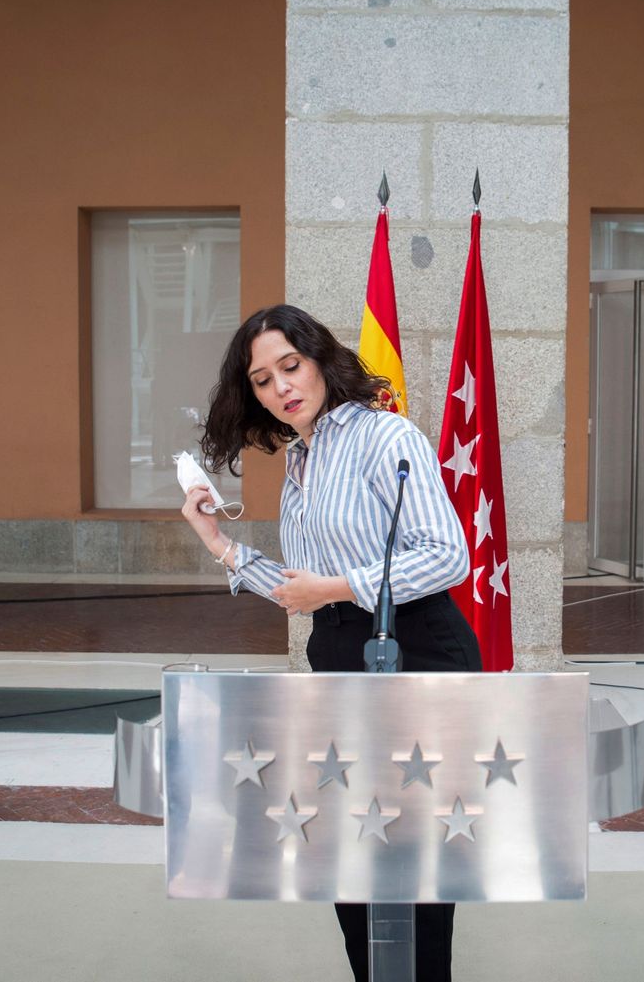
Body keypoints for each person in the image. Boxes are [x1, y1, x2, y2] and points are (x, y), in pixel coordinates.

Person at [180, 303, 480, 982]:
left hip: (417, 649)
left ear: (320, 359)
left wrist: (338, 586)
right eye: (262, 380)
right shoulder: (300, 458)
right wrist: (218, 542)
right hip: (339, 653)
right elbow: (302, 590)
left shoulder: (384, 435)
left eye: (290, 366)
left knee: (415, 867)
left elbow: (448, 556)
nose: (281, 387)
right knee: (349, 855)